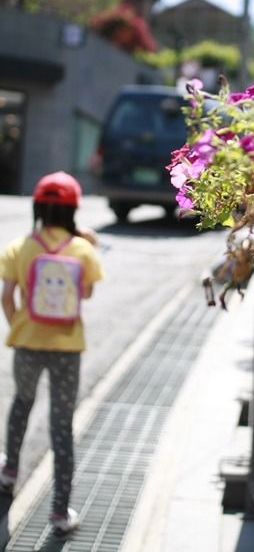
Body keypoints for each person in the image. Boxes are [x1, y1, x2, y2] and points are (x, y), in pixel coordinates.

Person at [0, 171, 104, 536]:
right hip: (67, 347)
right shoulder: (82, 250)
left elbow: (6, 297)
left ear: (38, 208)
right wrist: (88, 243)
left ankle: (9, 472)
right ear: (74, 210)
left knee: (22, 403)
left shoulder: (20, 247)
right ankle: (60, 513)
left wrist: (19, 326)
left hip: (28, 344)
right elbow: (86, 293)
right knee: (61, 427)